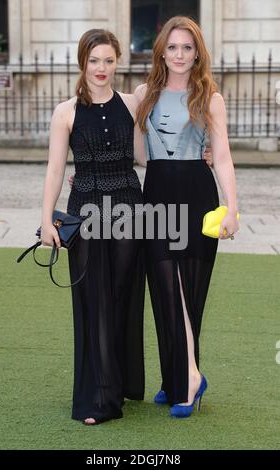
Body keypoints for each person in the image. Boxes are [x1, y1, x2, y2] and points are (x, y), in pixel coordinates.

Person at [40, 29, 147, 425]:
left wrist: (198, 154)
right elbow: (54, 168)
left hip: (128, 211)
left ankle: (116, 383)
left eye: (108, 60)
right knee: (93, 303)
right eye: (94, 60)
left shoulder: (133, 103)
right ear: (82, 62)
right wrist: (45, 217)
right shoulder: (65, 111)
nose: (101, 68)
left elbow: (144, 156)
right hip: (84, 211)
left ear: (118, 61)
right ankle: (97, 399)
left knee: (119, 299)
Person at [134, 16, 239, 418]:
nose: (179, 55)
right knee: (165, 287)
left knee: (189, 293)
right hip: (156, 195)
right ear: (161, 50)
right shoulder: (145, 92)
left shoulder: (209, 95)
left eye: (187, 48)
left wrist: (231, 207)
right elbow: (140, 153)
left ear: (197, 53)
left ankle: (180, 378)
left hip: (197, 195)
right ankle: (188, 376)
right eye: (172, 47)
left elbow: (224, 155)